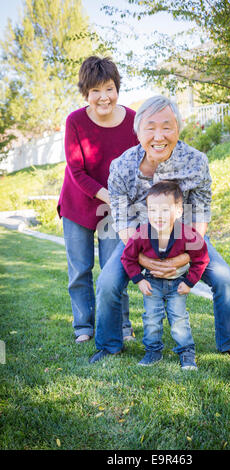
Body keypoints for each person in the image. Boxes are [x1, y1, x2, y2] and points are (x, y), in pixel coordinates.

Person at [89, 95, 230, 363]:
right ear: (138, 131)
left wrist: (185, 256)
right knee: (108, 282)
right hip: (137, 240)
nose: (159, 136)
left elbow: (201, 211)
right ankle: (109, 345)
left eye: (166, 126)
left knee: (224, 278)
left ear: (178, 128)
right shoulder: (120, 166)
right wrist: (144, 259)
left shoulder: (196, 161)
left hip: (188, 238)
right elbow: (121, 219)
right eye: (150, 127)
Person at [57, 56, 138, 343]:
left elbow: (139, 165)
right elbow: (76, 170)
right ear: (86, 93)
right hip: (78, 205)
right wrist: (112, 196)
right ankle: (83, 327)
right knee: (80, 270)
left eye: (109, 88)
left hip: (113, 211)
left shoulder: (132, 120)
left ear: (117, 88)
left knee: (115, 268)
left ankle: (122, 326)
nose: (104, 97)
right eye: (96, 91)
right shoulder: (75, 122)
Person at [121, 180, 210, 369]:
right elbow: (127, 258)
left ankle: (186, 352)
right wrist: (139, 280)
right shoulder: (142, 234)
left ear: (178, 211)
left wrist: (189, 282)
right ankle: (153, 351)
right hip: (152, 283)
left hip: (177, 283)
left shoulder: (187, 234)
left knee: (178, 319)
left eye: (164, 210)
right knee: (151, 319)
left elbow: (201, 258)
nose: (158, 216)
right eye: (153, 210)